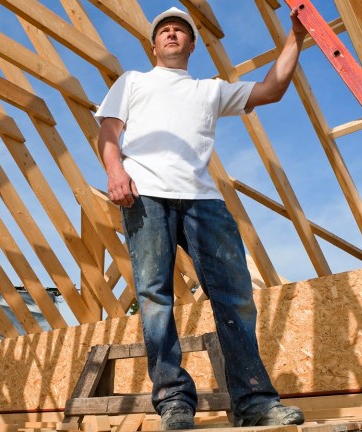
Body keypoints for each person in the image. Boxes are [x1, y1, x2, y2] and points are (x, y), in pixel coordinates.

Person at [94, 5, 308, 430]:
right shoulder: (132, 82)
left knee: (235, 296)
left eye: (180, 31)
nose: (171, 34)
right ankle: (174, 401)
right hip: (146, 195)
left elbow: (272, 89)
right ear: (154, 44)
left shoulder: (209, 91)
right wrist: (115, 172)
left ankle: (255, 402)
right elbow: (109, 131)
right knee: (155, 298)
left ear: (191, 44)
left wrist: (296, 37)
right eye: (164, 31)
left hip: (203, 200)